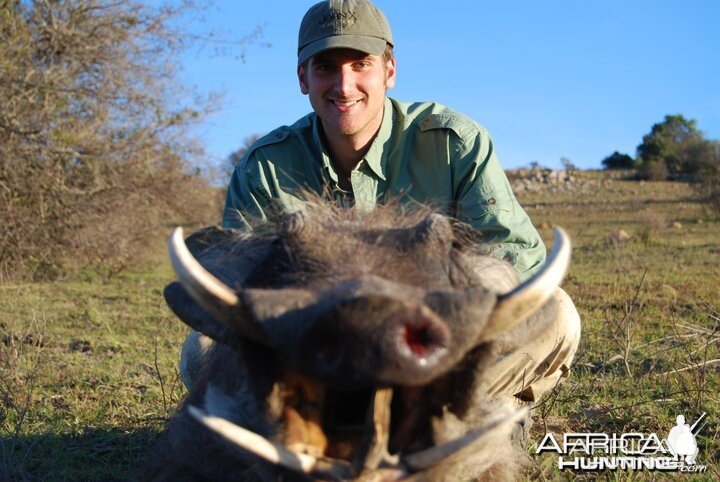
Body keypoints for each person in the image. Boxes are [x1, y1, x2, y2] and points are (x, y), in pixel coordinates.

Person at [183, 0, 580, 410]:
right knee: (202, 350)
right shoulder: (264, 166)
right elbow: (240, 286)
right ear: (303, 78)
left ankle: (459, 412)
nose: (343, 85)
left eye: (360, 64)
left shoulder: (454, 143)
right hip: (316, 351)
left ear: (389, 71)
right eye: (325, 67)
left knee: (558, 316)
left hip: (433, 343)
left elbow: (515, 257)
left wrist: (433, 317)